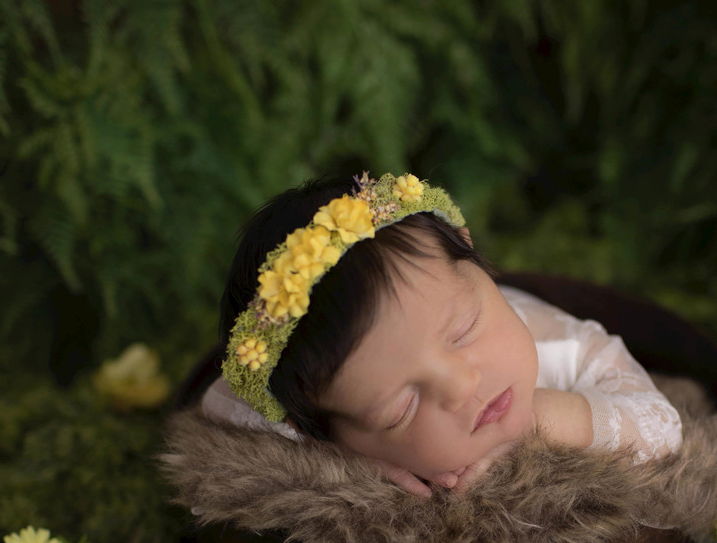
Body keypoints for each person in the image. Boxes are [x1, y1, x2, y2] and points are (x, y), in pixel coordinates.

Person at [202, 172, 682, 498]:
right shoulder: (328, 421)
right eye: (400, 408)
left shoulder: (561, 345)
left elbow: (662, 427)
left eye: (464, 331)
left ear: (471, 254)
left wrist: (549, 420)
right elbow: (220, 402)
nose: (461, 384)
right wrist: (343, 457)